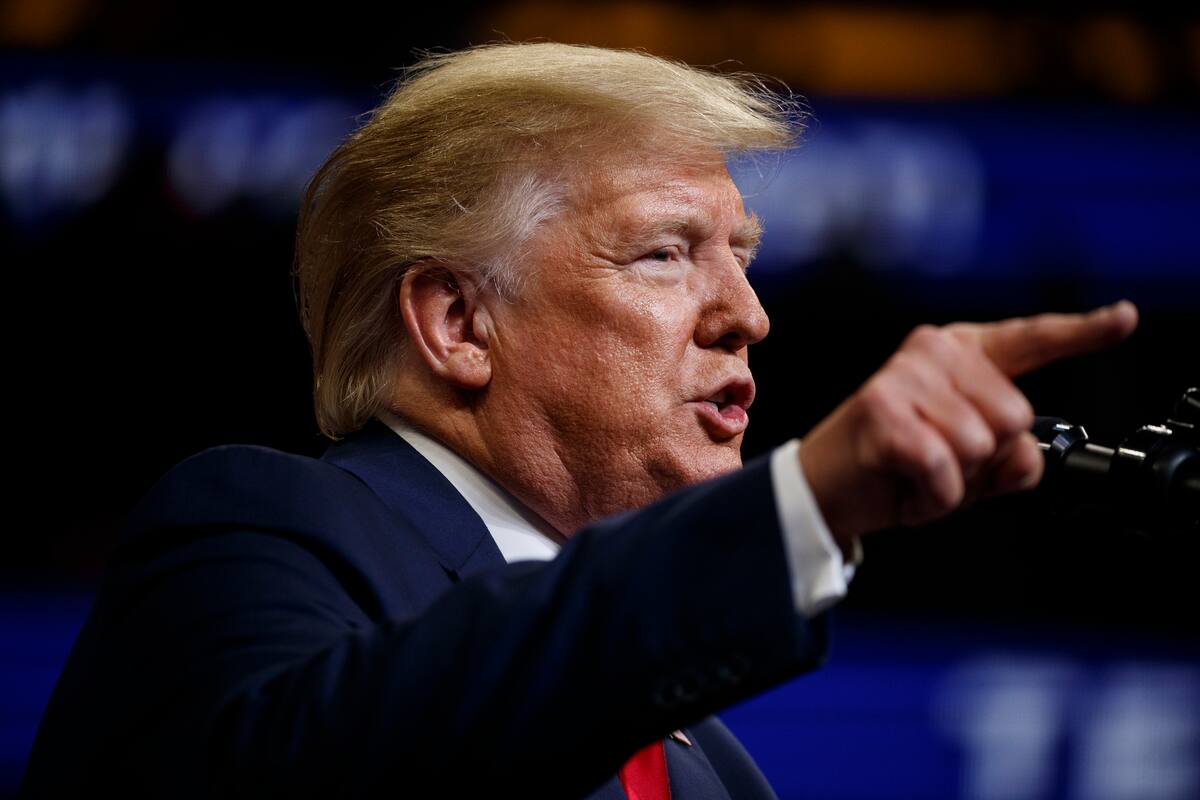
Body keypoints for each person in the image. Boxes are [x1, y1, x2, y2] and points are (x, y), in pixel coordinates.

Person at [21, 43, 1138, 798]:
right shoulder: (259, 534)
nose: (747, 314)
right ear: (458, 320)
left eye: (742, 259)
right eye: (664, 253)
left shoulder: (714, 771)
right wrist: (800, 504)